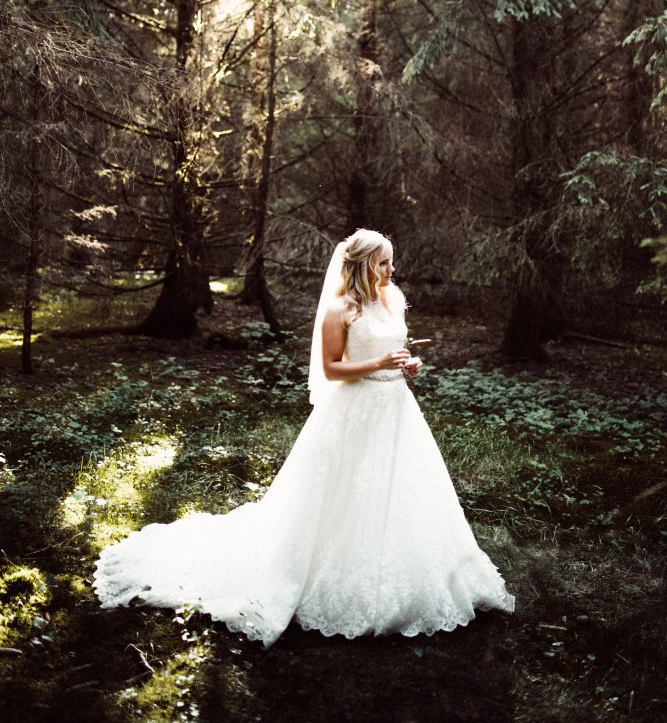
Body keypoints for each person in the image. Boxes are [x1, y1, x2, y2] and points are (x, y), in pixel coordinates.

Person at [93, 229, 515, 646]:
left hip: (397, 409)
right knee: (346, 494)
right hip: (354, 410)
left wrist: (407, 365)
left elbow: (394, 350)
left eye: (391, 261)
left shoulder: (394, 299)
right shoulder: (341, 310)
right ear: (363, 264)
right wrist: (378, 363)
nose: (391, 269)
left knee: (406, 490)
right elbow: (332, 369)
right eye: (383, 262)